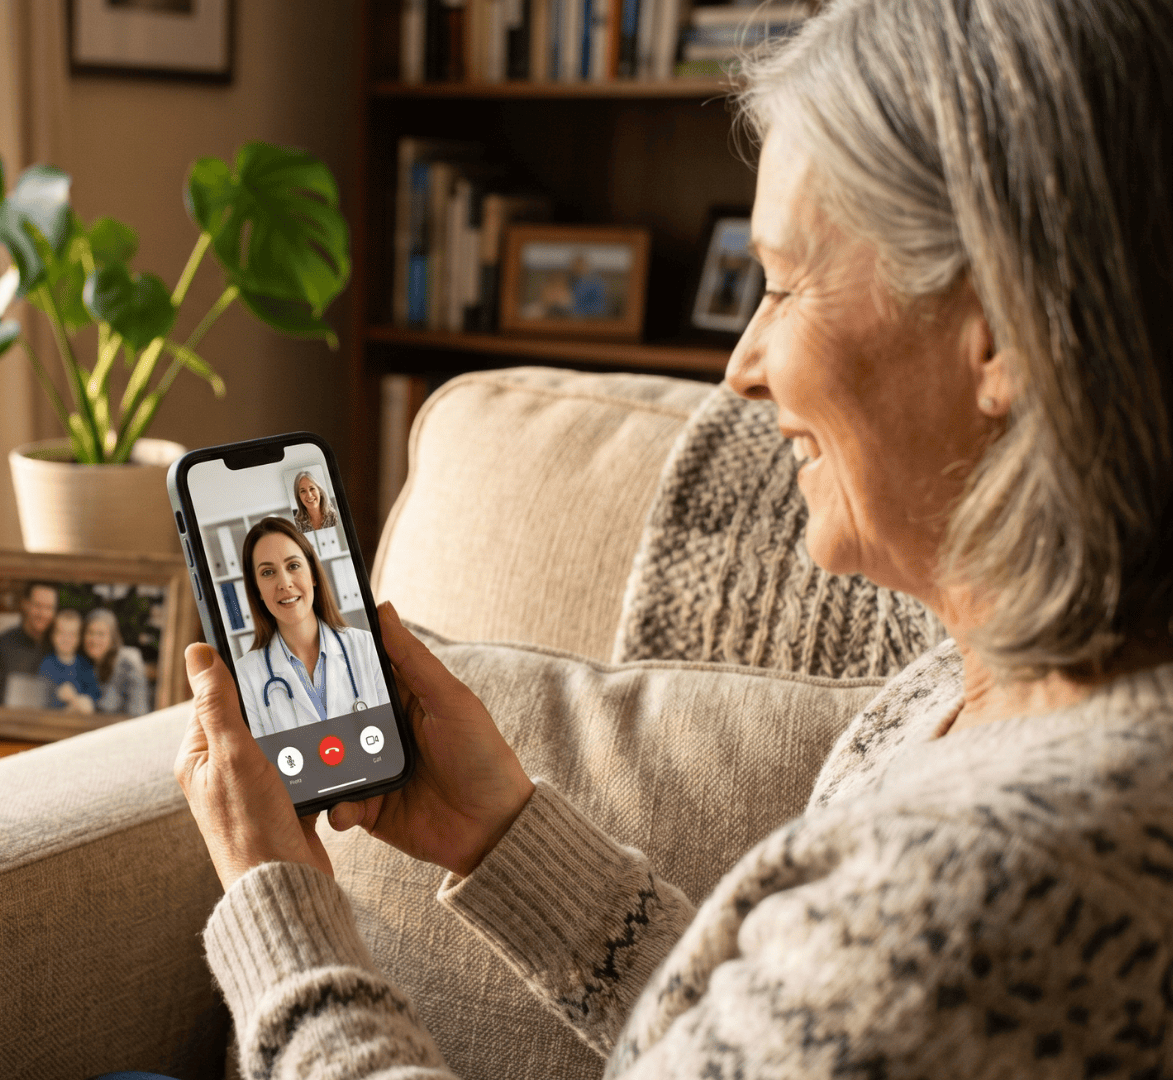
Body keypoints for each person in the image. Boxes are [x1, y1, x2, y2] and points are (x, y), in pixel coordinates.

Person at [172, 1, 1173, 1076]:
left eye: (784, 284)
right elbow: (773, 1040)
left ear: (1006, 330)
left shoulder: (989, 877)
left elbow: (876, 978)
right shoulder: (970, 693)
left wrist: (281, 918)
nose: (743, 367)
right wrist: (503, 836)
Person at [230, 517, 388, 737]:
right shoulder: (244, 675)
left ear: (313, 574)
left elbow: (392, 735)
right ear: (257, 590)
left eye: (293, 566)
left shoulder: (366, 645)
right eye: (267, 572)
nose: (284, 583)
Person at [0, 581, 59, 704]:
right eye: (37, 606)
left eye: (49, 608)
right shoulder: (2, 645)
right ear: (25, 604)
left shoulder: (60, 646)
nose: (43, 614)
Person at [85, 608, 150, 716]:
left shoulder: (128, 660)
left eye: (101, 634)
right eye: (90, 632)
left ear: (112, 638)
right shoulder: (86, 665)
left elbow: (138, 709)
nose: (94, 639)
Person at [38, 609, 102, 711]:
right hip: (55, 715)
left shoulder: (85, 665)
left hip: (83, 716)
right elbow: (43, 698)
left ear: (79, 639)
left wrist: (76, 699)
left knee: (86, 703)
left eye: (72, 634)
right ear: (53, 636)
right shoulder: (47, 665)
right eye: (61, 633)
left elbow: (94, 696)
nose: (66, 639)